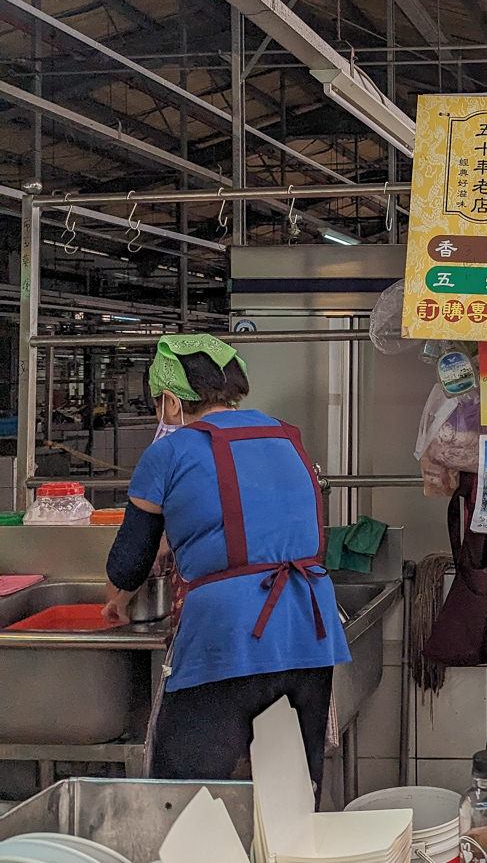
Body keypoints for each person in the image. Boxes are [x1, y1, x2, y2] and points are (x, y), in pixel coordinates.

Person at [103, 334, 350, 793]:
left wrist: (116, 598)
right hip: (308, 632)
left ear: (173, 403)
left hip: (227, 637)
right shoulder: (284, 434)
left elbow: (130, 559)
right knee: (291, 794)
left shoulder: (168, 452)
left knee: (184, 794)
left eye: (160, 402)